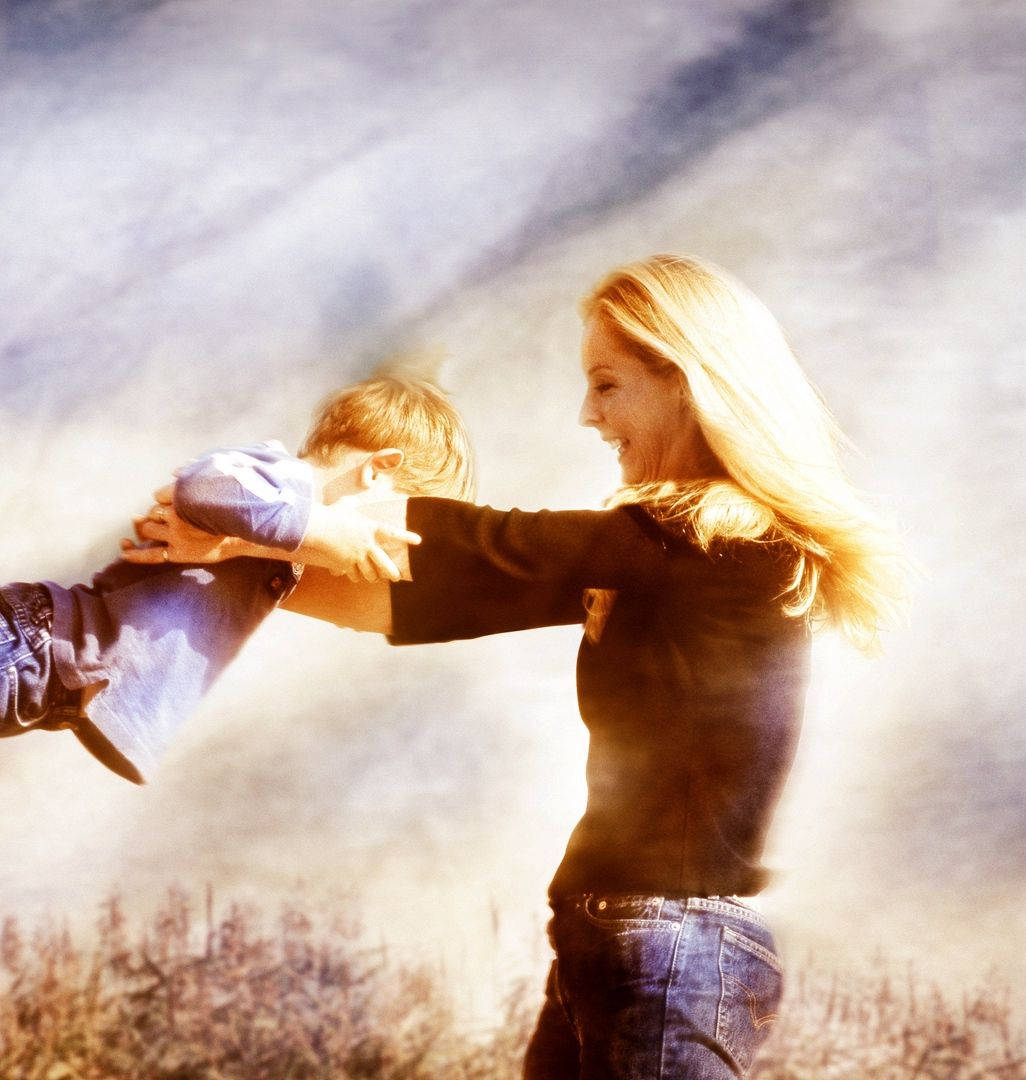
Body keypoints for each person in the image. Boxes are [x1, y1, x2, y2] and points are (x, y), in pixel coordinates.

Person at [128, 255, 908, 1077]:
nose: (586, 414)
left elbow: (472, 549)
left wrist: (255, 528)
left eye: (607, 385)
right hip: (613, 949)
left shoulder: (719, 547)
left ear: (684, 382)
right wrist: (237, 553)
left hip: (672, 953)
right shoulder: (658, 553)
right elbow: (410, 587)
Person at [0, 375, 475, 783]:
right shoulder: (280, 478)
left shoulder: (280, 536)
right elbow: (203, 485)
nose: (375, 540)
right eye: (392, 518)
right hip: (41, 645)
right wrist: (324, 532)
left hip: (53, 681)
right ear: (379, 470)